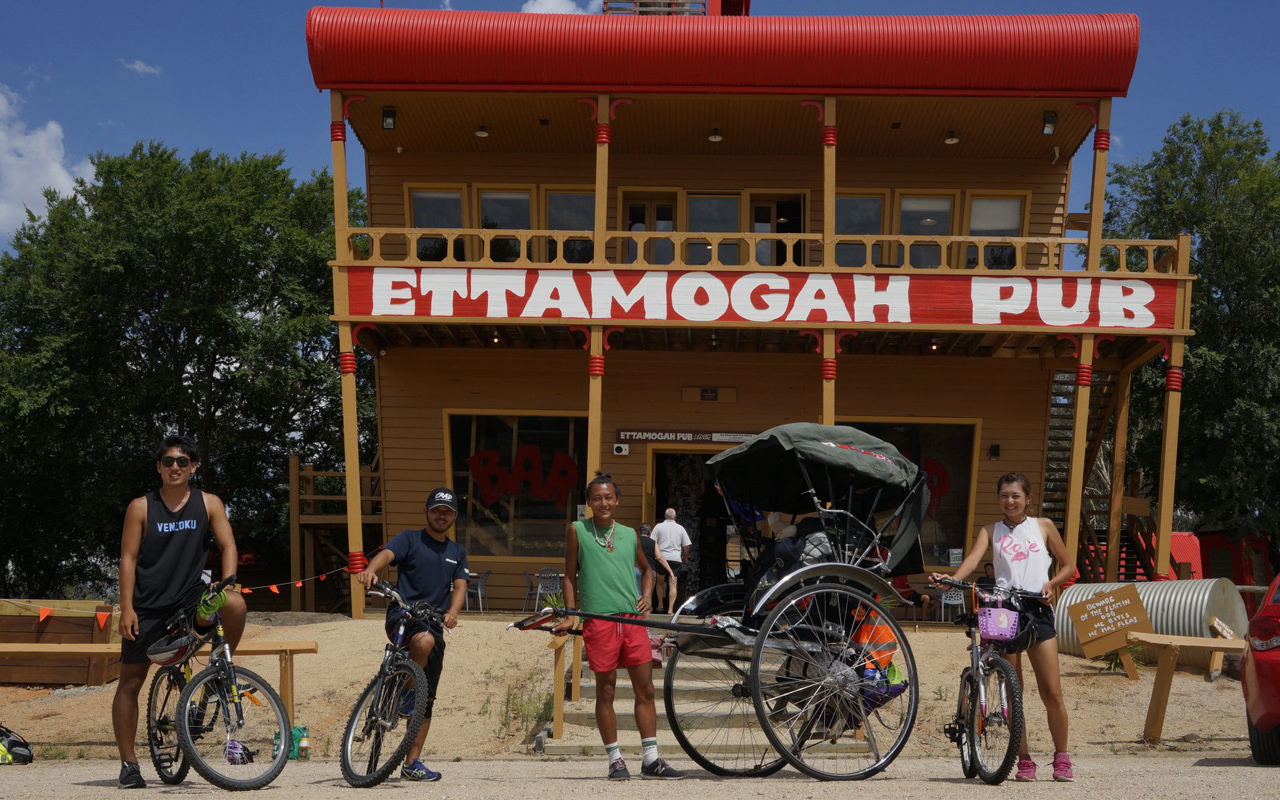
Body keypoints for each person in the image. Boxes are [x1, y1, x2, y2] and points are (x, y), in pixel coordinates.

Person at [114, 435, 246, 789]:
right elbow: (127, 559)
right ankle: (128, 763)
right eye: (168, 461)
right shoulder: (141, 507)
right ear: (159, 466)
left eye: (182, 461)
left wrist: (227, 583)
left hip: (190, 598)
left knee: (233, 603)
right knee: (130, 682)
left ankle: (220, 667)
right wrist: (126, 608)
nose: (175, 466)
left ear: (193, 468)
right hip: (148, 604)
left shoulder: (209, 503)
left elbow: (228, 544)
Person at [931, 471, 1075, 782]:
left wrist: (1052, 584)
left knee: (1052, 692)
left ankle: (1062, 757)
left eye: (1015, 495)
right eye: (1004, 495)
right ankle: (1023, 759)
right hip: (1003, 611)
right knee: (1013, 691)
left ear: (1028, 498)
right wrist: (952, 580)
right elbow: (972, 560)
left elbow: (1069, 565)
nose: (1009, 501)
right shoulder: (990, 530)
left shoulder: (1044, 527)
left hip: (1038, 609)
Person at [554, 474, 684, 780]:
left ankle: (651, 759)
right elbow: (569, 576)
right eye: (597, 498)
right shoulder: (578, 531)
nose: (603, 503)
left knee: (646, 688)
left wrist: (647, 596)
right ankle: (615, 759)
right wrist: (572, 614)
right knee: (606, 690)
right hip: (599, 619)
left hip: (631, 619)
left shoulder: (629, 534)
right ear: (589, 502)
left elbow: (647, 570)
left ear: (617, 500)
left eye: (609, 497)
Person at [357, 487, 468, 782]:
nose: (441, 516)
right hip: (404, 614)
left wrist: (453, 612)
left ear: (454, 516)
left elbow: (460, 587)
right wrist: (371, 570)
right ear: (426, 512)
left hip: (434, 620)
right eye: (436, 510)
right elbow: (386, 555)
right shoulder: (409, 538)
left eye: (447, 512)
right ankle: (406, 692)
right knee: (424, 641)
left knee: (427, 698)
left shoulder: (457, 552)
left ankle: (412, 763)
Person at [650, 509, 691, 614]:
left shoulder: (658, 527)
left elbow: (652, 542)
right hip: (675, 559)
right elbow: (686, 546)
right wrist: (685, 556)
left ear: (665, 516)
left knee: (660, 582)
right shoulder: (680, 528)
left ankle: (660, 605)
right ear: (675, 517)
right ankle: (670, 609)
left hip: (661, 558)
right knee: (673, 583)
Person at [638, 524, 675, 613]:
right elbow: (660, 558)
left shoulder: (636, 541)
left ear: (639, 532)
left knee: (637, 594)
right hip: (650, 572)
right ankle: (646, 619)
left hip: (636, 569)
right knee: (647, 596)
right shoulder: (653, 542)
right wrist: (670, 571)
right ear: (650, 533)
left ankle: (636, 616)